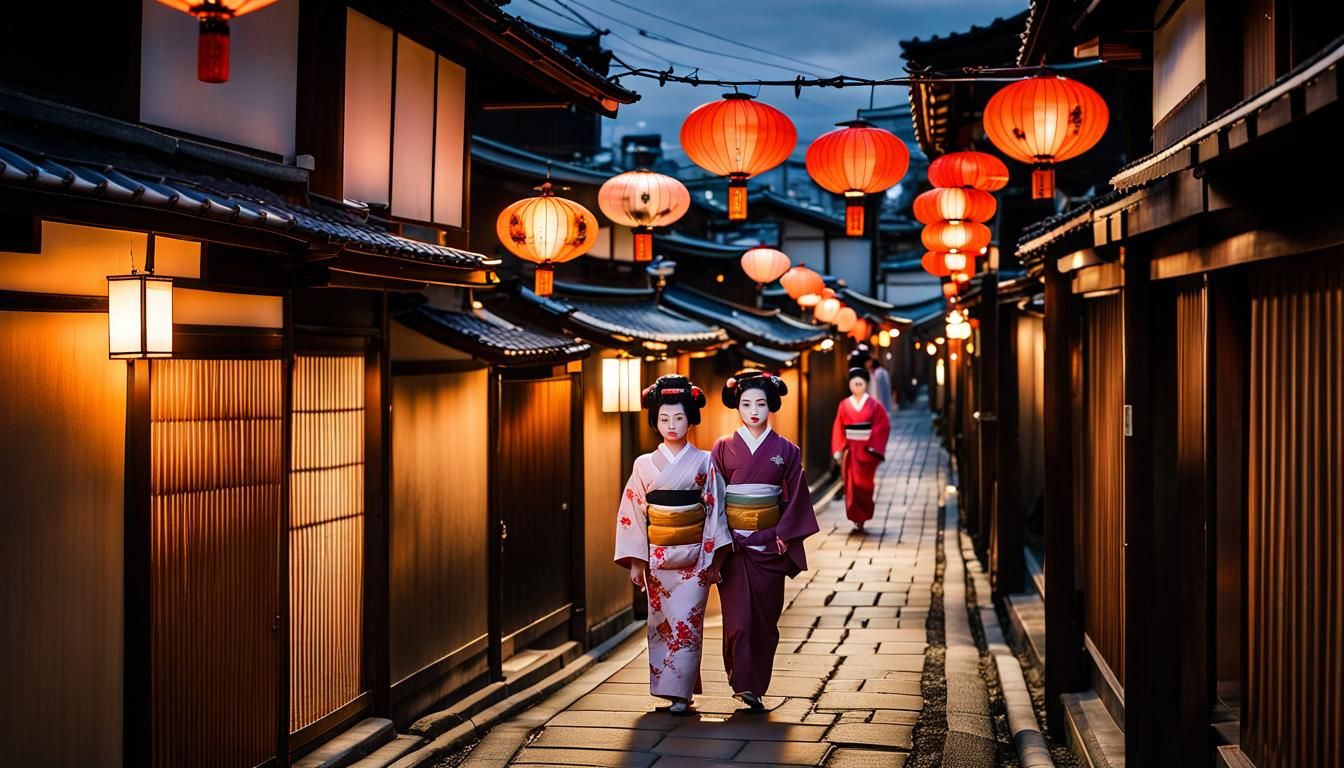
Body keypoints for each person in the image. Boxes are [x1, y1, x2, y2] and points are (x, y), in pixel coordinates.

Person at [614, 375, 730, 715]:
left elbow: (715, 510)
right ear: (655, 421)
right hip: (657, 559)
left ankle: (681, 694)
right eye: (664, 418)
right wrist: (637, 562)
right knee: (661, 624)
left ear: (691, 419)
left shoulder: (706, 461)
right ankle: (670, 689)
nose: (672, 425)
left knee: (687, 624)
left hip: (694, 558)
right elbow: (633, 512)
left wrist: (715, 560)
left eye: (679, 418)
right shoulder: (643, 465)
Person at [711, 370, 819, 711]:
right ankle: (743, 683)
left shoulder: (786, 450)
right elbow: (713, 497)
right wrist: (722, 538)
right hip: (735, 548)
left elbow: (795, 497)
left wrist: (785, 534)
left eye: (760, 403)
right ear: (737, 408)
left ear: (770, 405)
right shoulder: (723, 448)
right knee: (738, 622)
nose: (753, 411)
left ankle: (755, 686)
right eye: (746, 404)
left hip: (769, 546)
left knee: (765, 622)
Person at [832, 366, 891, 532]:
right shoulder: (844, 405)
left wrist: (874, 447)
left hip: (867, 451)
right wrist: (838, 449)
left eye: (860, 383)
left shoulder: (874, 405)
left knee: (865, 487)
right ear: (850, 385)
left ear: (866, 384)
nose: (857, 385)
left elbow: (883, 425)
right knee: (851, 487)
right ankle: (855, 517)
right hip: (850, 450)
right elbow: (838, 427)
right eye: (854, 383)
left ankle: (863, 516)